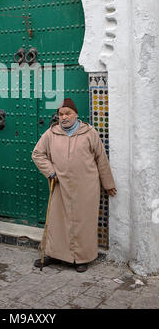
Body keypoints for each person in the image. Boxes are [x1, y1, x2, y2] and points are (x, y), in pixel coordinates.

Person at [32, 98, 117, 272]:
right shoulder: (51, 133)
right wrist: (51, 171)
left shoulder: (89, 132)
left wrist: (108, 183)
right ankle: (54, 254)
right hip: (60, 185)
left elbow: (101, 158)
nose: (64, 117)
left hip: (86, 187)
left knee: (83, 222)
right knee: (57, 222)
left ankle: (81, 259)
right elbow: (37, 154)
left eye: (68, 113)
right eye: (61, 114)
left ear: (76, 114)